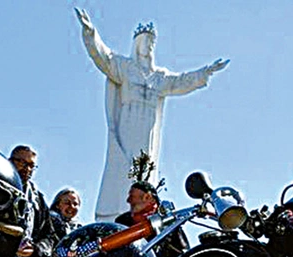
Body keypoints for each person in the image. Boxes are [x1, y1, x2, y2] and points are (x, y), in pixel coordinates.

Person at [75, 8, 229, 222]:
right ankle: (117, 214)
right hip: (128, 124)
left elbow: (181, 82)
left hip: (148, 128)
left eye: (152, 43)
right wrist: (90, 32)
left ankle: (144, 211)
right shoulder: (124, 67)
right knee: (123, 168)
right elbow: (102, 56)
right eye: (146, 41)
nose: (149, 46)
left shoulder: (159, 77)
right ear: (137, 43)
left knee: (145, 171)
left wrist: (206, 72)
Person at [9, 145, 55, 257]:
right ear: (10, 161)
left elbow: (49, 236)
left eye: (31, 165)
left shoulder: (38, 199)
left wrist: (36, 249)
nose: (27, 169)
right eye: (22, 162)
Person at [115, 181, 189, 257]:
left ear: (147, 197)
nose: (128, 200)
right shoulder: (123, 221)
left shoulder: (169, 223)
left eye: (132, 196)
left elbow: (183, 256)